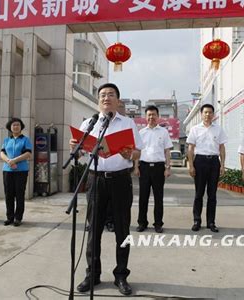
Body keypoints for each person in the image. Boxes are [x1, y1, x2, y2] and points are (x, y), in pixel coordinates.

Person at [70, 83, 143, 296]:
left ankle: (121, 275)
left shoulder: (128, 123)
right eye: (102, 95)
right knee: (93, 229)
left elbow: (138, 152)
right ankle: (93, 274)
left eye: (111, 94)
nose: (106, 98)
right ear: (97, 100)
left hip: (120, 180)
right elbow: (79, 153)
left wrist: (131, 154)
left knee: (122, 229)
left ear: (118, 100)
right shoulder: (89, 123)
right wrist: (74, 146)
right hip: (95, 180)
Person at [187, 104, 227, 233]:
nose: (208, 115)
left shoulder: (218, 129)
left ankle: (211, 222)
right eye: (205, 112)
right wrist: (191, 165)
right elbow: (190, 148)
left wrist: (223, 164)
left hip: (214, 162)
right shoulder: (195, 129)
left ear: (213, 114)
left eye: (210, 112)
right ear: (201, 114)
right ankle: (197, 220)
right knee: (199, 194)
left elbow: (221, 148)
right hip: (199, 161)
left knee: (212, 195)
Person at [134, 105, 173, 233]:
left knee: (158, 197)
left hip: (158, 168)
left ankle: (158, 224)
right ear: (146, 117)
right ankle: (142, 223)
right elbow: (137, 151)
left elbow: (167, 151)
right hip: (144, 167)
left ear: (158, 116)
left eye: (153, 115)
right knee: (143, 197)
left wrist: (167, 167)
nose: (151, 117)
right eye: (149, 115)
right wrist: (136, 167)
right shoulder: (141, 133)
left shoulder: (163, 132)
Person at [0, 118, 32, 227]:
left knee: (19, 194)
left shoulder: (25, 140)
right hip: (7, 170)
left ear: (21, 127)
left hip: (21, 170)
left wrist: (15, 160)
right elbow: (2, 153)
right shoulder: (6, 140)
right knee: (8, 194)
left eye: (18, 125)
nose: (16, 127)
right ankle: (10, 217)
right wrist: (8, 161)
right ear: (10, 127)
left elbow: (28, 154)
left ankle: (18, 218)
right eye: (13, 125)